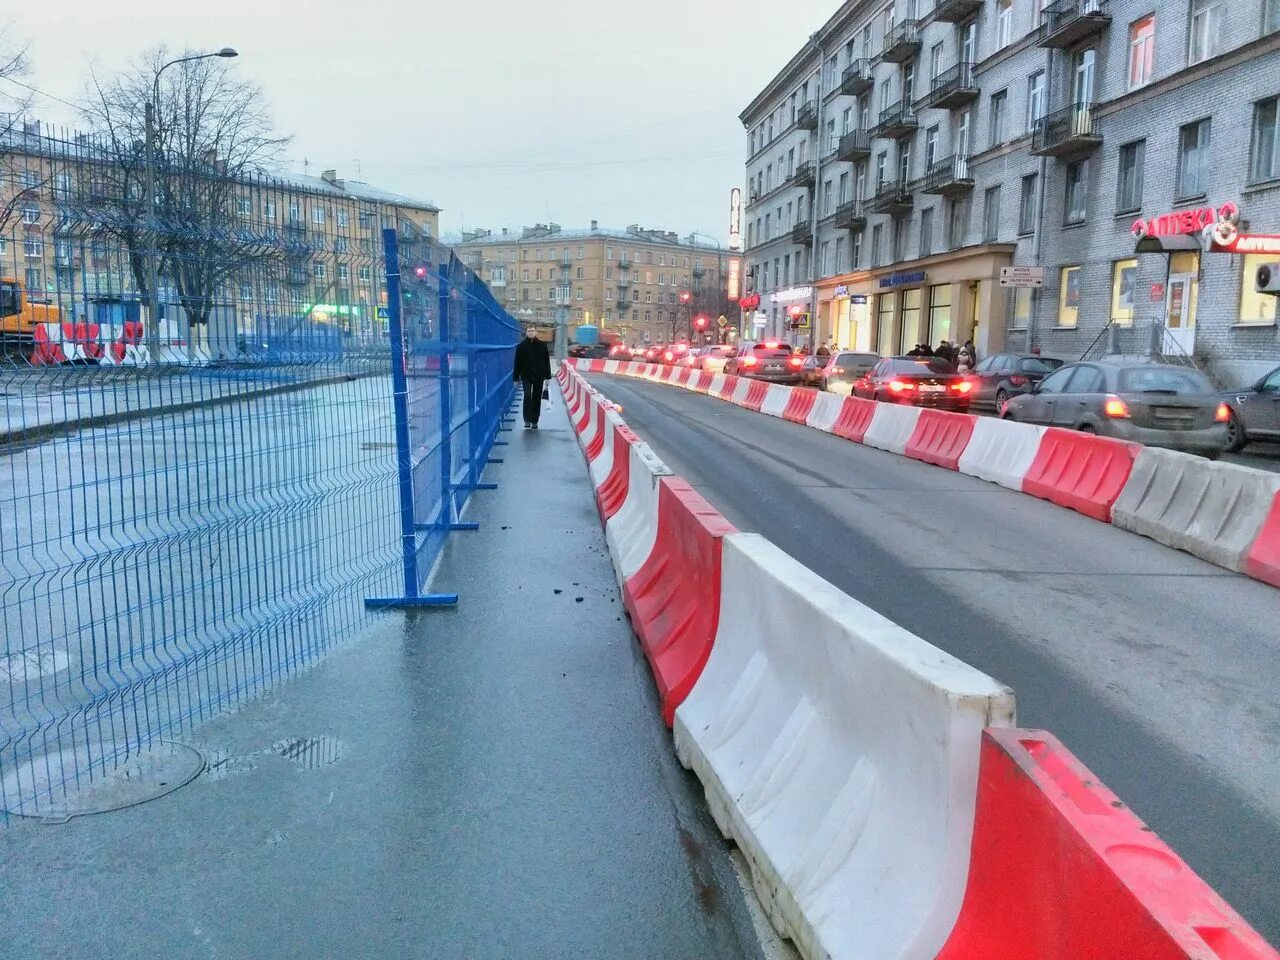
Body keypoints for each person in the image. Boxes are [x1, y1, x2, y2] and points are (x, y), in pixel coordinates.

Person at [513, 326, 552, 429]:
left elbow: (546, 362)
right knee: (527, 396)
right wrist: (516, 378)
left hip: (539, 375)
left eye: (532, 331)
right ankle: (527, 420)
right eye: (529, 331)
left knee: (536, 397)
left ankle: (534, 420)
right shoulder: (521, 346)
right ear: (526, 333)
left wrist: (548, 377)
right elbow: (517, 363)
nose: (530, 333)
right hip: (526, 375)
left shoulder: (542, 346)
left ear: (536, 332)